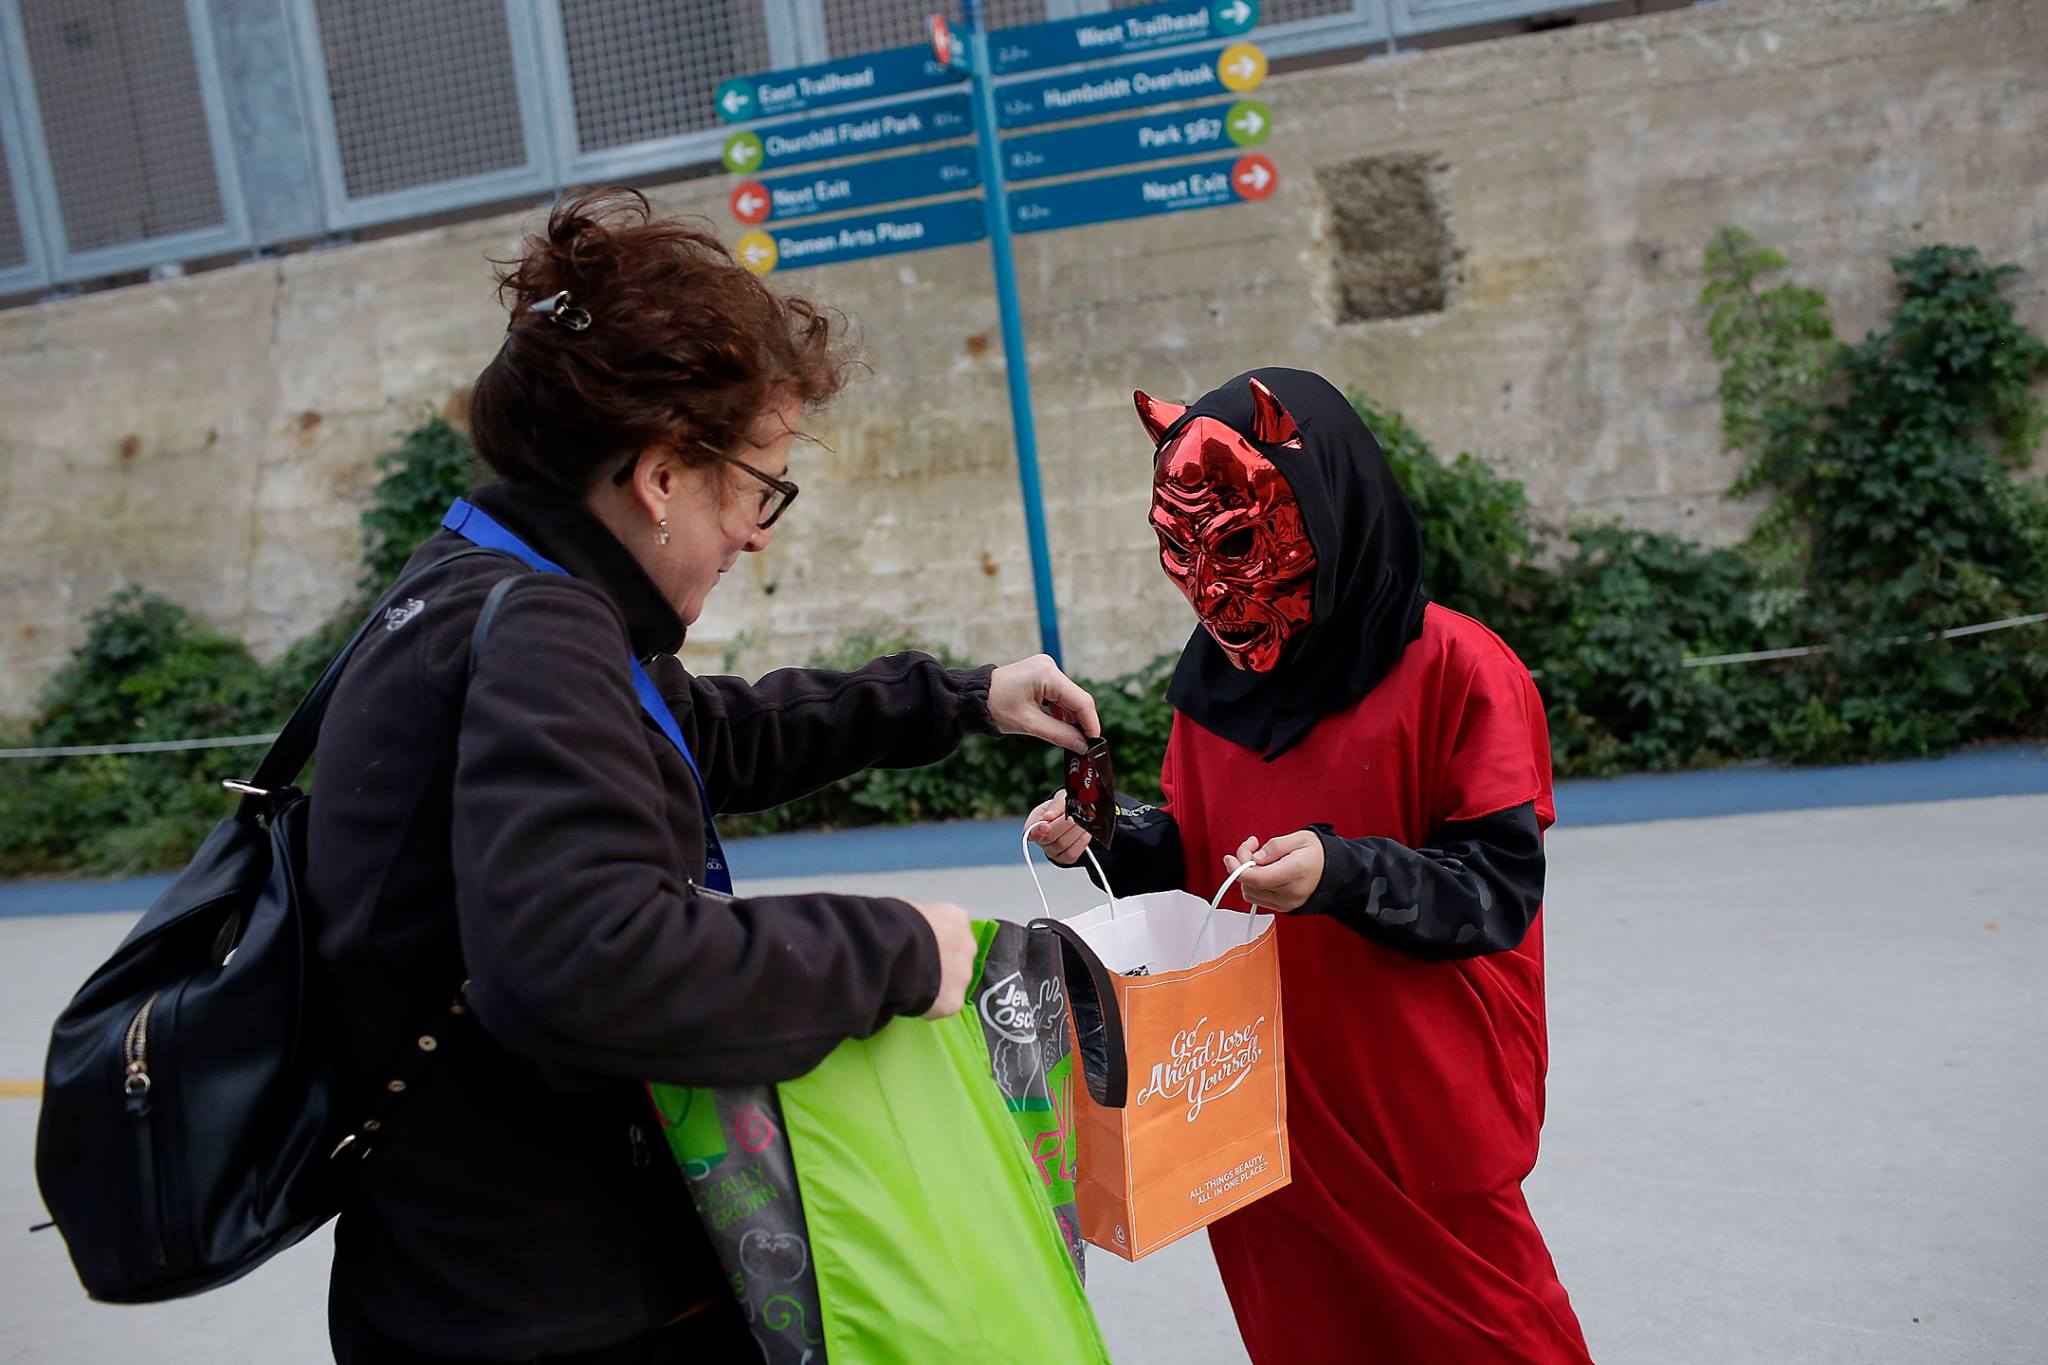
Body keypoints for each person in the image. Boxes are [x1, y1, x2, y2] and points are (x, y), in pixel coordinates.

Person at [309, 188, 1100, 1364]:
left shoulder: (477, 582)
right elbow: (578, 960)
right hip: (547, 1307)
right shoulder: (539, 632)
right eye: (758, 484)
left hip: (453, 1275)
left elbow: (698, 738)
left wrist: (956, 697)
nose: (759, 530)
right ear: (662, 472)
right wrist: (893, 950)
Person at [1030, 368, 1591, 1364]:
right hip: (1253, 1109)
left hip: (1410, 1107)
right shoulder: (1210, 689)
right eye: (1181, 549)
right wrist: (1106, 832)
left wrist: (1338, 874)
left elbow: (1492, 894)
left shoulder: (1460, 670)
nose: (1212, 588)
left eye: (1237, 541)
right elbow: (1197, 873)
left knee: (1494, 1341)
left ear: (1323, 506)